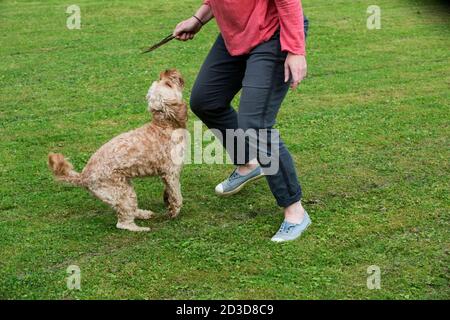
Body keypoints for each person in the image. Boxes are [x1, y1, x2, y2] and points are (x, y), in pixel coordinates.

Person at [173, 0, 310, 242]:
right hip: (236, 35)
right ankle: (248, 163)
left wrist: (296, 50)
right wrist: (197, 19)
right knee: (207, 100)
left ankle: (295, 210)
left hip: (274, 34)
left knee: (254, 125)